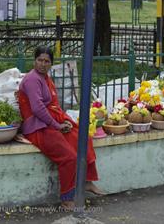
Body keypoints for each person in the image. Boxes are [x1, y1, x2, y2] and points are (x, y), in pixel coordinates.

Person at [18, 46, 104, 209]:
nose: (43, 64)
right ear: (34, 61)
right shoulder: (32, 79)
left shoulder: (45, 77)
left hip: (51, 122)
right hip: (37, 128)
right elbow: (37, 109)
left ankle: (87, 181)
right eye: (40, 60)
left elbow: (53, 105)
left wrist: (64, 122)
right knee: (69, 157)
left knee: (82, 138)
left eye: (47, 61)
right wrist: (57, 125)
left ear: (51, 63)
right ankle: (66, 198)